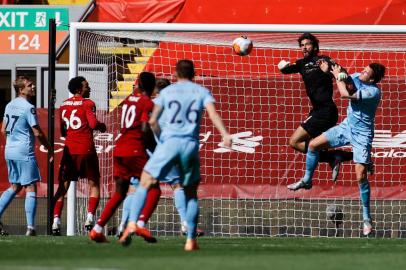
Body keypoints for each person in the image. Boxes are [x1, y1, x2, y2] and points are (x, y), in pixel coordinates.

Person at [119, 59, 232, 251]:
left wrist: (162, 142)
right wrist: (225, 134)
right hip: (189, 145)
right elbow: (212, 114)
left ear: (176, 74)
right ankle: (190, 238)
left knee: (142, 183)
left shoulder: (167, 93)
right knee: (188, 192)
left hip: (167, 144)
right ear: (194, 74)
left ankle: (130, 224)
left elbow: (152, 121)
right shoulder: (201, 91)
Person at [288, 62, 385, 236]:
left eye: (365, 72)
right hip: (345, 128)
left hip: (362, 135)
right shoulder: (357, 77)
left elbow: (345, 94)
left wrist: (337, 78)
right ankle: (307, 179)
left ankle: (366, 219)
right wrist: (334, 72)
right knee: (312, 145)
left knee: (360, 176)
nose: (361, 73)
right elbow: (347, 77)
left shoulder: (373, 92)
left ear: (372, 79)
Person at [116, 78, 204, 238]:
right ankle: (185, 224)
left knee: (135, 189)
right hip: (165, 149)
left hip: (144, 150)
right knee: (177, 185)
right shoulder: (169, 105)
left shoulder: (144, 103)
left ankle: (124, 224)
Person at [89, 72, 159, 243]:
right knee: (154, 187)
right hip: (135, 150)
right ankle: (140, 223)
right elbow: (144, 128)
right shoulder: (147, 102)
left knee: (120, 192)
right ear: (152, 87)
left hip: (119, 149)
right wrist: (156, 148)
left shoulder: (128, 100)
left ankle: (97, 229)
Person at [278, 33, 353, 182]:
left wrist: (333, 74)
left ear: (315, 46)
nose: (304, 47)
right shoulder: (301, 64)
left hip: (326, 111)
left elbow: (343, 73)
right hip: (318, 111)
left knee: (294, 142)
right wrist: (282, 66)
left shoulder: (323, 60)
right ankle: (335, 157)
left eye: (308, 44)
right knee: (313, 144)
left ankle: (334, 157)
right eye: (302, 45)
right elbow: (286, 70)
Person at [52, 76, 106, 235]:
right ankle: (89, 218)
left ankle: (56, 221)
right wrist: (102, 126)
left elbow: (62, 130)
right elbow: (93, 124)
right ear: (79, 90)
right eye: (86, 86)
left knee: (63, 185)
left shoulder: (63, 105)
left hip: (69, 151)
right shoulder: (88, 103)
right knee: (94, 184)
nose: (89, 88)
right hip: (86, 149)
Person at [0, 76, 52, 236]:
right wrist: (48, 147)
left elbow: (3, 129)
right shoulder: (28, 107)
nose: (33, 86)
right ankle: (31, 227)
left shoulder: (9, 105)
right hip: (23, 152)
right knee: (31, 186)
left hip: (10, 151)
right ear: (21, 89)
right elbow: (37, 131)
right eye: (30, 85)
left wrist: (12, 142)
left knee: (15, 186)